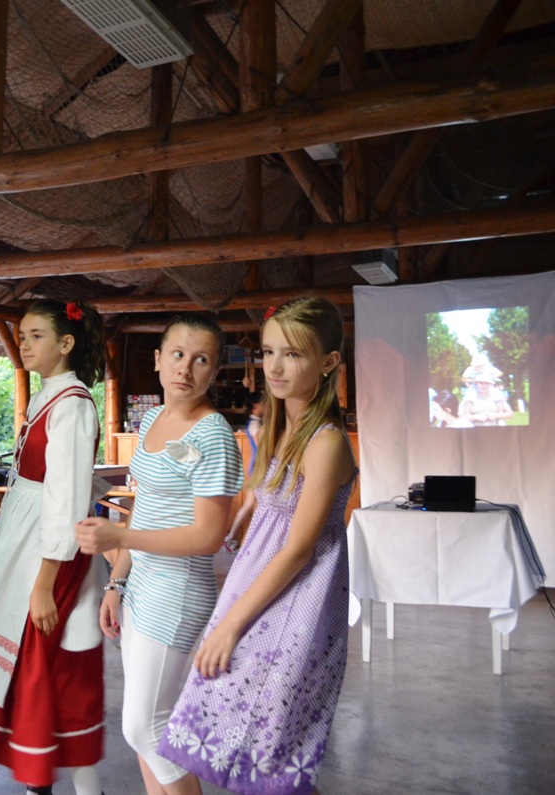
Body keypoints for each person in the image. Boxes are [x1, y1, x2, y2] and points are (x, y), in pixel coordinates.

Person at [157, 297, 358, 795]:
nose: (275, 367)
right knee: (251, 746)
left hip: (296, 604)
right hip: (258, 590)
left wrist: (230, 625)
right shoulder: (280, 427)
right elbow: (266, 503)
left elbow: (299, 549)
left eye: (293, 354)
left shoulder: (325, 442)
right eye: (269, 352)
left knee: (274, 754)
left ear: (329, 362)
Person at [75, 314, 243, 795]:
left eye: (201, 360)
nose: (185, 368)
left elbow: (208, 537)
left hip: (179, 593)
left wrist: (120, 540)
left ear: (215, 372)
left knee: (144, 727)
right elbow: (145, 507)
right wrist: (117, 582)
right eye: (177, 354)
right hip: (141, 586)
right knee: (150, 731)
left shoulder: (212, 435)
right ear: (157, 359)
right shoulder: (152, 420)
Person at [0, 299, 108, 795]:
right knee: (32, 668)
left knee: (48, 668)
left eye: (36, 335)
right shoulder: (49, 396)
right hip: (29, 541)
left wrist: (44, 584)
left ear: (66, 343)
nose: (23, 344)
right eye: (21, 336)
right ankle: (40, 781)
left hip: (51, 554)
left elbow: (66, 501)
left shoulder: (73, 404)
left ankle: (69, 786)